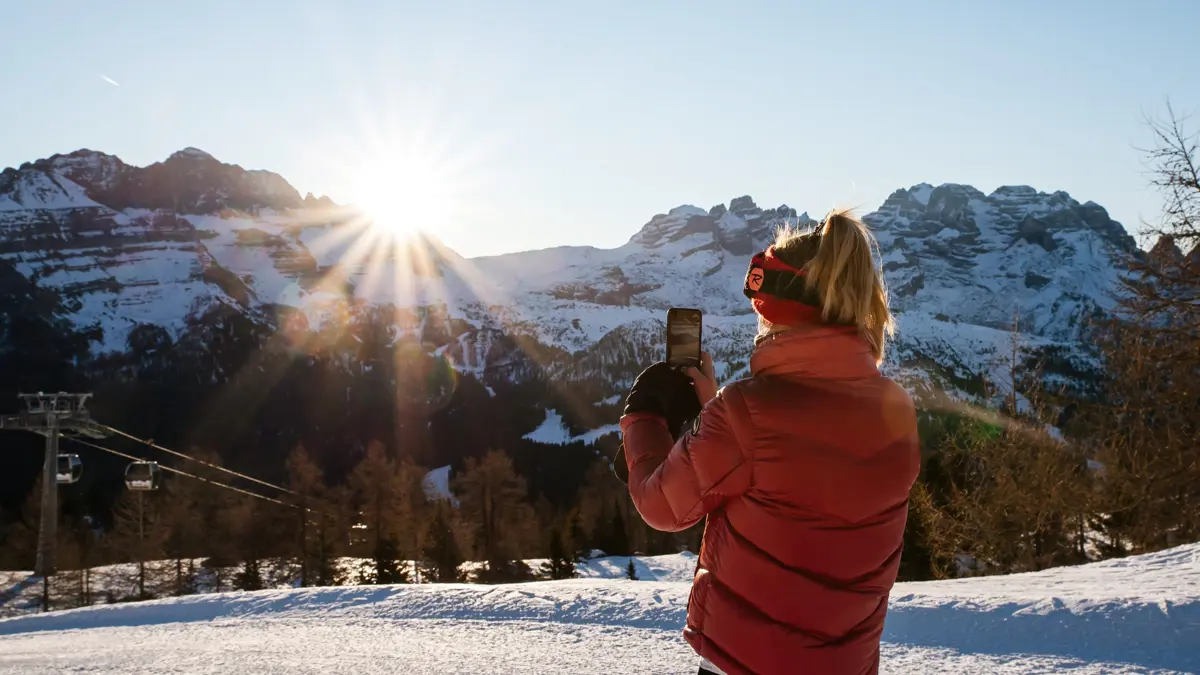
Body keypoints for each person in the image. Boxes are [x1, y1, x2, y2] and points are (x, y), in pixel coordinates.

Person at [616, 208, 920, 675]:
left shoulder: (746, 413)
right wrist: (715, 413)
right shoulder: (896, 409)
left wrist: (642, 415)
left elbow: (662, 505)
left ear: (774, 310)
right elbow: (802, 480)